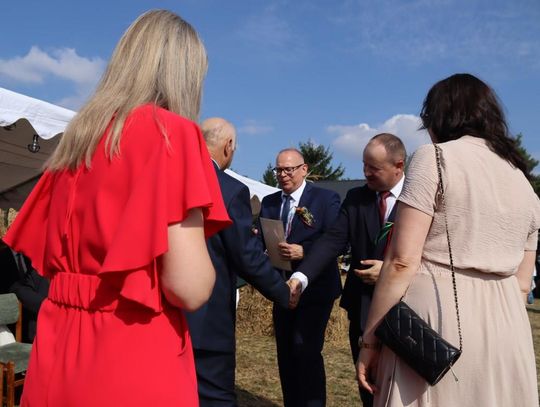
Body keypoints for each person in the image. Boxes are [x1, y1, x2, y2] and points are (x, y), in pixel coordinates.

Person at [3, 10, 231, 407]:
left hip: (56, 348)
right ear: (186, 74)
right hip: (130, 345)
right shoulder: (172, 135)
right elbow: (190, 287)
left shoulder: (77, 143)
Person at [357, 73, 540, 406]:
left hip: (437, 323)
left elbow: (401, 261)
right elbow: (522, 284)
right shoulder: (522, 179)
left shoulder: (434, 158)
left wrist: (370, 341)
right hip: (508, 327)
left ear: (440, 117)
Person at [186, 117, 298, 407]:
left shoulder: (167, 178)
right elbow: (246, 256)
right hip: (208, 319)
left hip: (166, 314)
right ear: (228, 146)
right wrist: (283, 292)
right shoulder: (230, 190)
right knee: (214, 396)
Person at [295, 133, 406, 406]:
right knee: (368, 385)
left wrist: (391, 272)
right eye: (364, 165)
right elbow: (333, 240)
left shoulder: (419, 197)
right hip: (363, 310)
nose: (366, 173)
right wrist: (300, 277)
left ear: (398, 166)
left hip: (406, 310)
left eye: (374, 168)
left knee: (401, 390)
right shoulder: (356, 198)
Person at [259, 148, 341, 407]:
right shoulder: (270, 202)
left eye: (289, 169)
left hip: (315, 289)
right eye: (278, 170)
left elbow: (336, 241)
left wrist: (304, 251)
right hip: (282, 288)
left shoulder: (325, 199)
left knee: (305, 350)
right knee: (285, 353)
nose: (282, 175)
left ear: (304, 169)